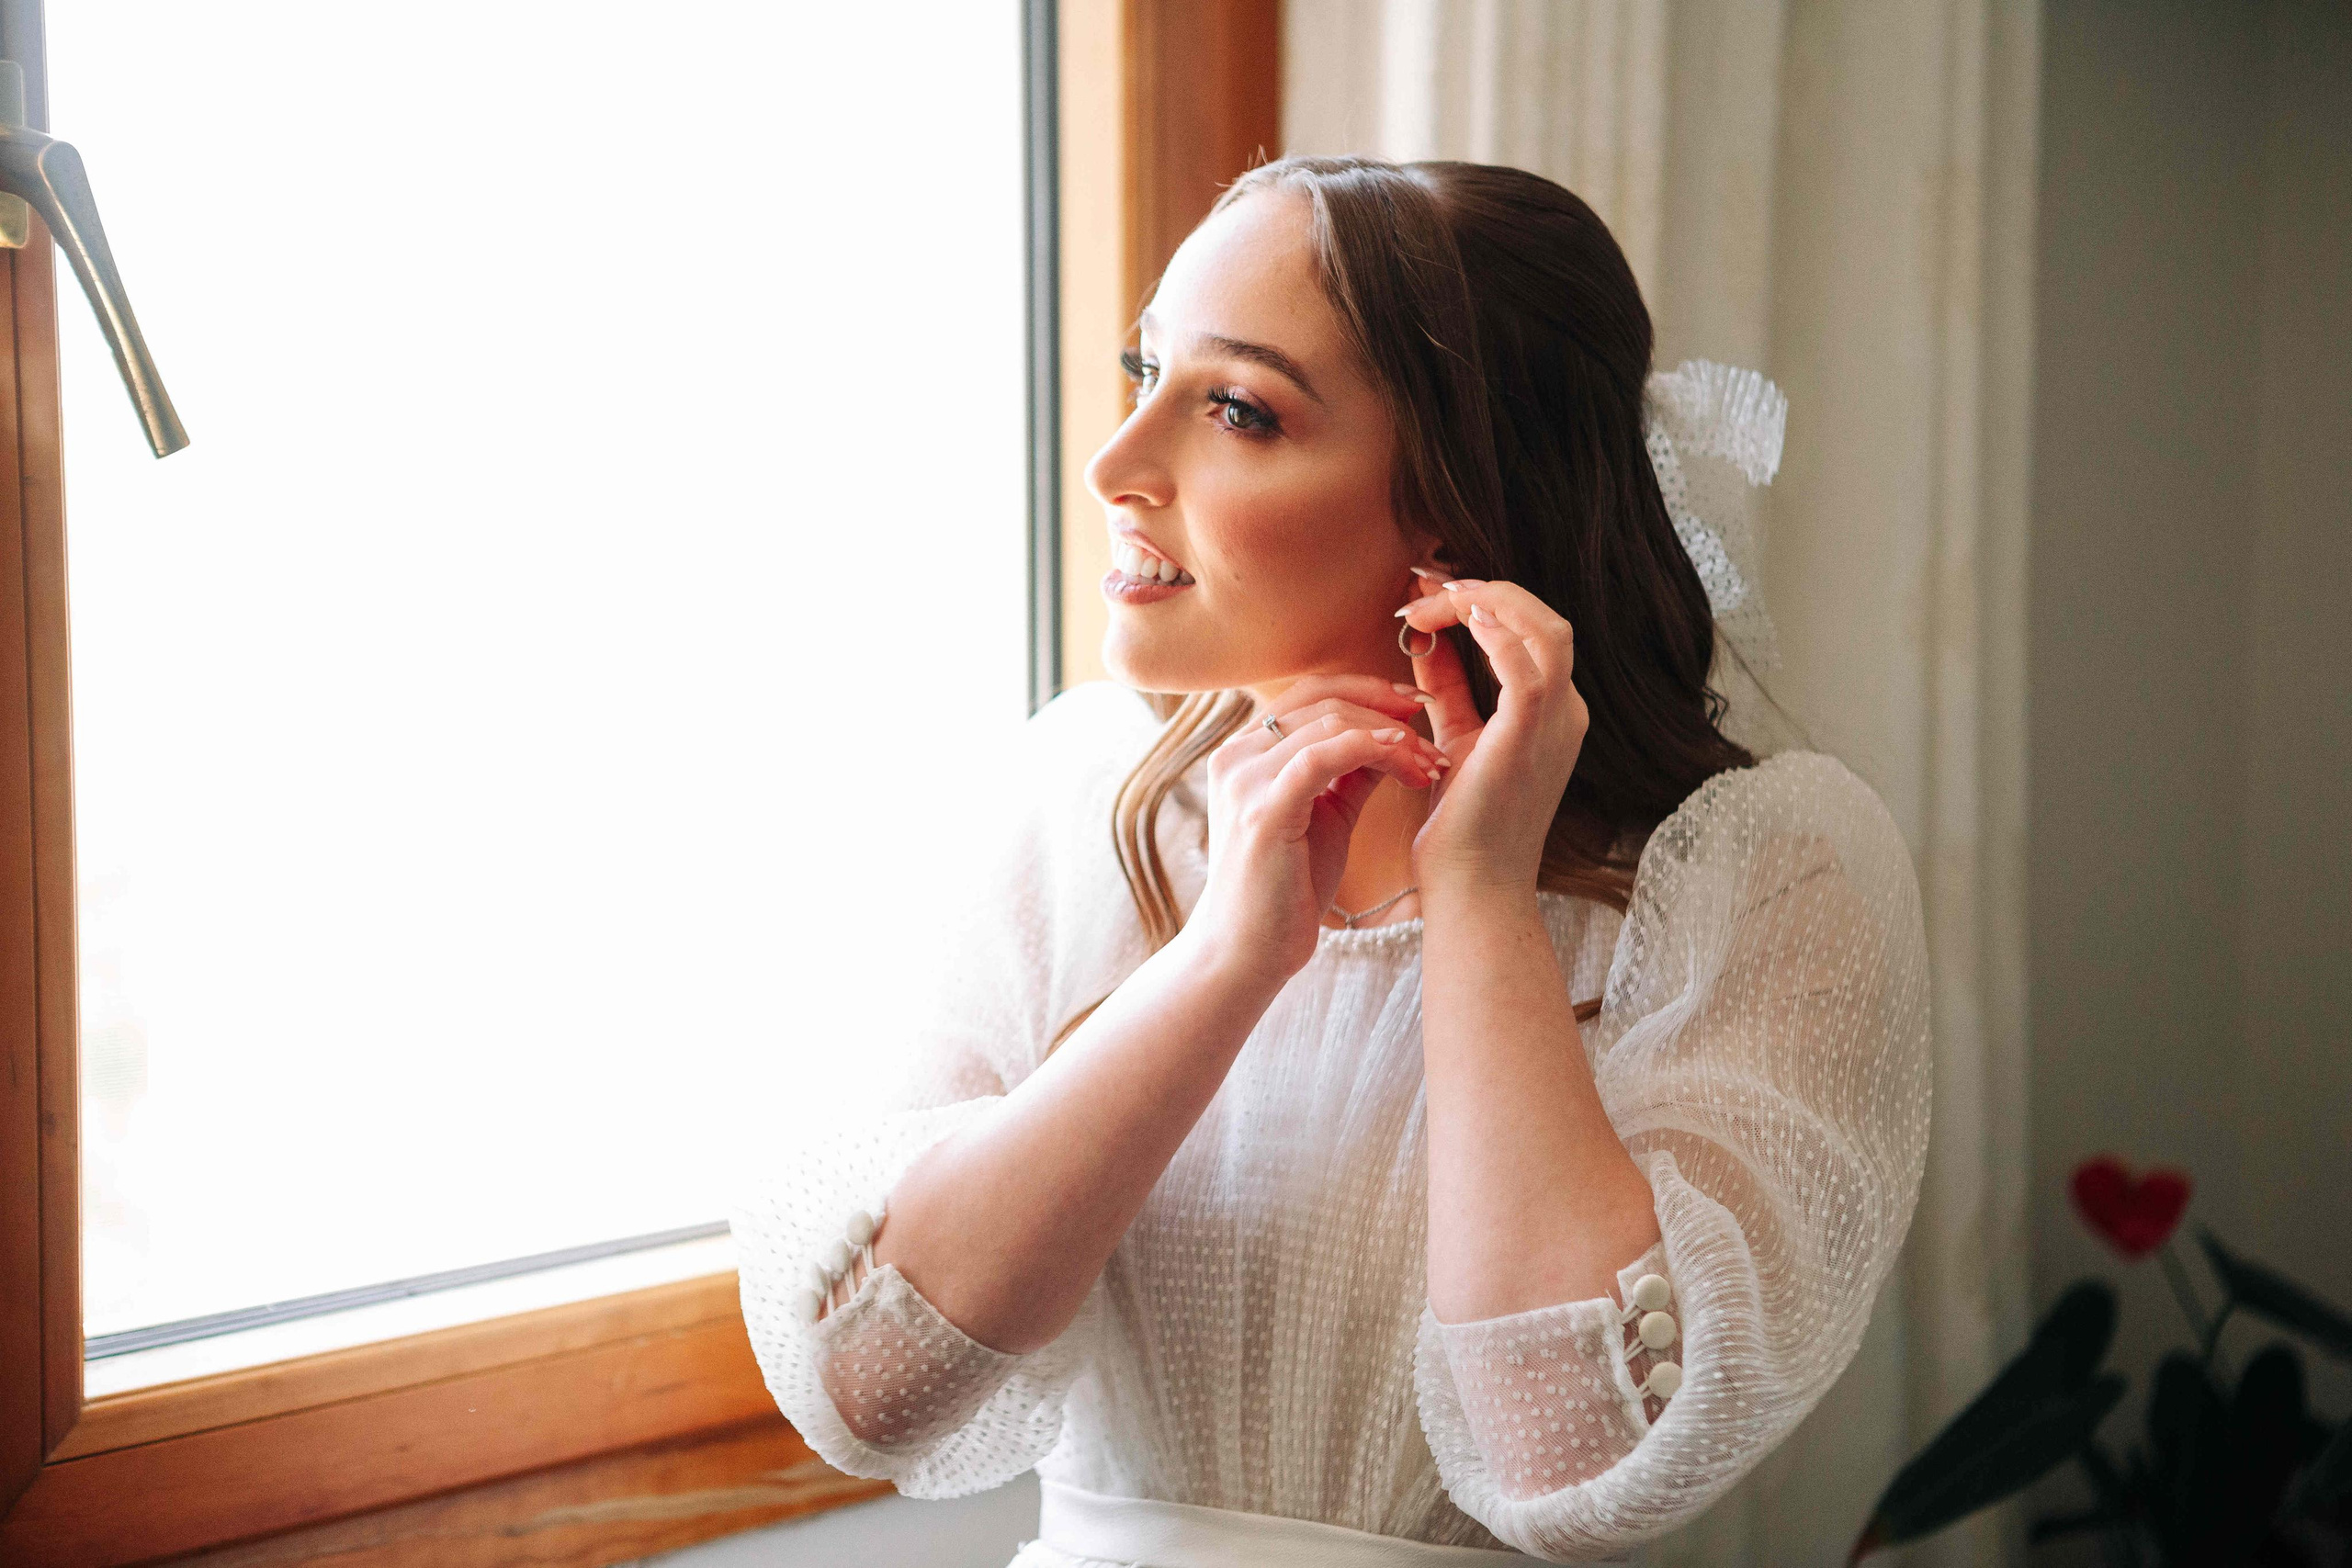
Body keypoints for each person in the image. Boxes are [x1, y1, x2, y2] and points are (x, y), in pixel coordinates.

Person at [730, 155, 1931, 1566]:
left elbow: (1587, 1455)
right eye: (1144, 371)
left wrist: (1481, 896)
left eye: (1236, 409)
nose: (1115, 466)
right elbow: (871, 1386)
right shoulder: (1080, 799)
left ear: (1456, 499)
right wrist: (1229, 963)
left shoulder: (1763, 872)